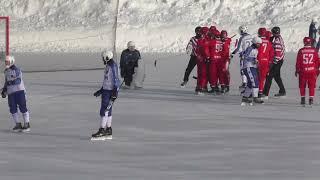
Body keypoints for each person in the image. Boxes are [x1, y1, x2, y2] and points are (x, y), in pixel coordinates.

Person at [91, 51, 120, 140]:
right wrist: (101, 90)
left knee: (104, 110)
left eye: (103, 57)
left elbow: (116, 79)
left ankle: (102, 130)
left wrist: (115, 92)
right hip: (106, 91)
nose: (102, 59)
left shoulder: (112, 66)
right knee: (108, 110)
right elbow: (107, 81)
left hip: (110, 92)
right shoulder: (108, 65)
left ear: (107, 57)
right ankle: (108, 129)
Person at [1, 56, 31, 132]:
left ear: (11, 61)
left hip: (19, 92)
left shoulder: (17, 70)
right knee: (12, 109)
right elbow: (6, 82)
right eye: (5, 62)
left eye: (7, 62)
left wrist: (9, 83)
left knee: (22, 107)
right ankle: (18, 124)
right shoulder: (6, 71)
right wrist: (4, 91)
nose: (6, 63)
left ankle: (27, 124)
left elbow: (18, 80)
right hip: (11, 93)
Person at [262, 26, 286, 99]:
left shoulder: (277, 40)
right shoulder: (278, 38)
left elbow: (278, 53)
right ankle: (282, 91)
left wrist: (273, 63)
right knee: (277, 76)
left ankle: (265, 94)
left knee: (269, 76)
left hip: (277, 61)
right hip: (280, 60)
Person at [295, 37, 319, 106]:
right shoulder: (314, 51)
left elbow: (298, 61)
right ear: (310, 42)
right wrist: (317, 70)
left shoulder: (301, 51)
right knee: (312, 86)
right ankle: (311, 99)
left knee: (302, 86)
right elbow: (317, 61)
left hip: (303, 71)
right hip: (312, 71)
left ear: (304, 42)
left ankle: (303, 99)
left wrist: (297, 70)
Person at [240, 37, 264, 105]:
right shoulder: (250, 48)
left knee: (250, 83)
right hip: (248, 67)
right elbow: (245, 57)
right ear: (255, 43)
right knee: (254, 81)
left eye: (260, 44)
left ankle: (245, 97)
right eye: (258, 44)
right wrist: (253, 60)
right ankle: (255, 97)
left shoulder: (256, 49)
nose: (259, 45)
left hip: (252, 67)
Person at [231, 25, 253, 92]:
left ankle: (244, 83)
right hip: (251, 56)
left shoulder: (242, 38)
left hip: (244, 56)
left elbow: (238, 48)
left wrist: (232, 54)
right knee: (250, 69)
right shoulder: (251, 37)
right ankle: (251, 83)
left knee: (243, 70)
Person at [257, 27, 274, 97]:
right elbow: (271, 53)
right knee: (262, 78)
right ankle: (260, 91)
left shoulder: (258, 41)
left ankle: (254, 91)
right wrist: (270, 62)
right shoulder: (269, 42)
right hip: (266, 62)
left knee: (256, 77)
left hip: (258, 61)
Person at [207, 28, 223, 94]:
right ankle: (219, 86)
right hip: (219, 60)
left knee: (213, 74)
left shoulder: (212, 41)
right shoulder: (222, 42)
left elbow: (205, 47)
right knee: (219, 74)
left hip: (213, 60)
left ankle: (214, 87)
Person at [195, 27, 210, 95]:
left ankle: (199, 87)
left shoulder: (199, 39)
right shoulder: (204, 40)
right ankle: (202, 88)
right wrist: (207, 57)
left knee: (200, 74)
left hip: (199, 60)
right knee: (204, 74)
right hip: (203, 60)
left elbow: (197, 50)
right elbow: (205, 50)